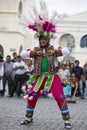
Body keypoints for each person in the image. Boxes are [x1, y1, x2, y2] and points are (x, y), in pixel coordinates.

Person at [19, 1, 71, 129]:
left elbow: (66, 50)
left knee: (60, 97)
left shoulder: (53, 47)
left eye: (45, 40)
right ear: (39, 40)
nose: (43, 41)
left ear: (48, 40)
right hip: (38, 77)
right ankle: (28, 118)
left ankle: (66, 120)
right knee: (31, 96)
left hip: (53, 77)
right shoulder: (35, 48)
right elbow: (22, 54)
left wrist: (56, 52)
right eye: (41, 39)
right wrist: (33, 52)